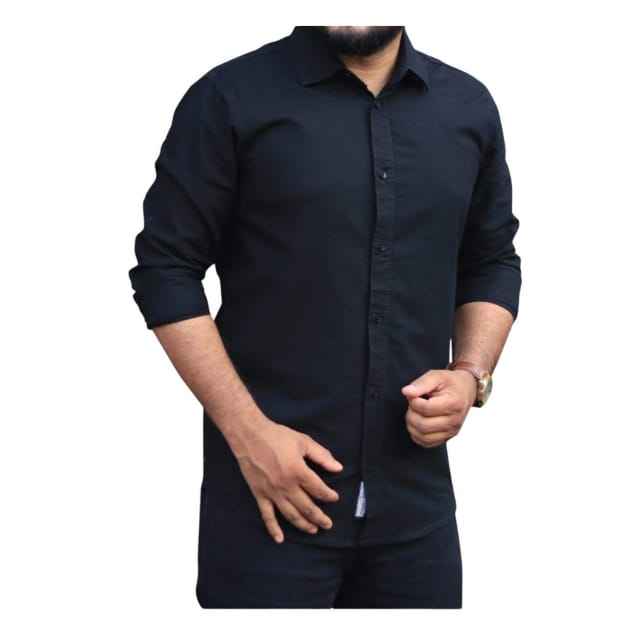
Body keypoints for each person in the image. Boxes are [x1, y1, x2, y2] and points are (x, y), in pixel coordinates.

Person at [129, 26, 521, 608]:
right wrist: (249, 434)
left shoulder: (468, 106)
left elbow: (491, 260)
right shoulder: (229, 97)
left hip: (416, 513)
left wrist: (470, 375)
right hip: (267, 507)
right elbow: (166, 270)